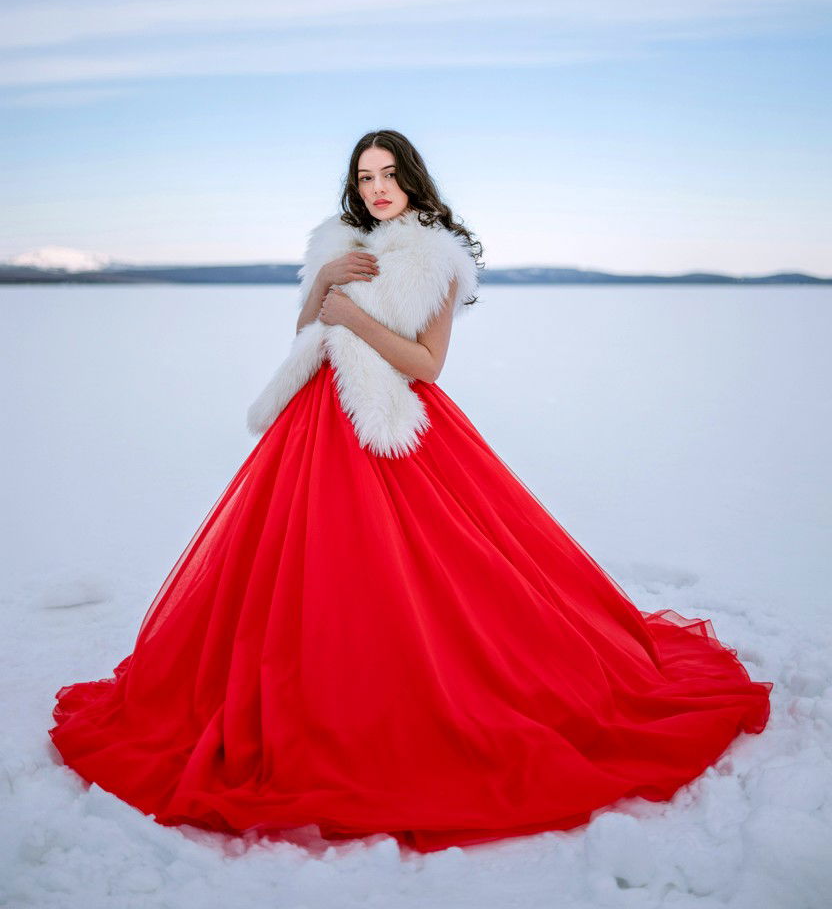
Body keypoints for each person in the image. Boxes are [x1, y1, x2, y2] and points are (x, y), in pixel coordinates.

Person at [48, 128, 773, 854]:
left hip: (393, 428)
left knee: (412, 579)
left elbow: (427, 366)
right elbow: (309, 330)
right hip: (314, 423)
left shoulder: (434, 259)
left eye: (389, 174)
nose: (376, 188)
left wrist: (354, 314)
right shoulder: (340, 242)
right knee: (302, 575)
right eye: (364, 176)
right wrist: (326, 284)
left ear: (414, 180)